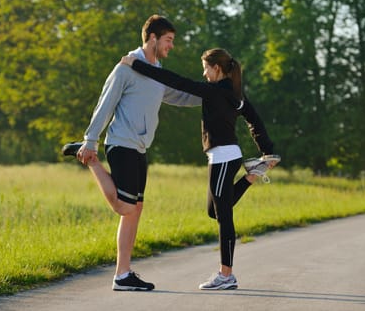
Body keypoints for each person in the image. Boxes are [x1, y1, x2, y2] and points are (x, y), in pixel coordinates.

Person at [120, 48, 280, 290]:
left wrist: (137, 65)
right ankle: (253, 175)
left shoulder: (216, 92)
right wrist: (266, 149)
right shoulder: (233, 93)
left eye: (206, 68)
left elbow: (176, 81)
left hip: (225, 157)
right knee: (214, 211)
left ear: (217, 68)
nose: (204, 74)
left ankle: (226, 275)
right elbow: (254, 119)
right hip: (221, 157)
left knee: (224, 215)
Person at [62, 15, 201, 291]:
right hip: (121, 143)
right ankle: (89, 159)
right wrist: (91, 140)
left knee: (134, 210)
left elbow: (179, 96)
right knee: (123, 206)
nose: (171, 46)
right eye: (168, 40)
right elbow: (106, 102)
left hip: (139, 148)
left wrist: (212, 98)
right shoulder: (126, 68)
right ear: (152, 38)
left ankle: (123, 274)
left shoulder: (157, 72)